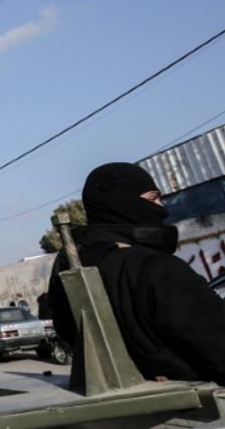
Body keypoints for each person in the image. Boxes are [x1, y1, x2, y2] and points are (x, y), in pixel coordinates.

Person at [47, 162, 225, 384]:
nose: (163, 208)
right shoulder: (157, 269)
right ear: (122, 203)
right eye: (153, 199)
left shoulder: (72, 271)